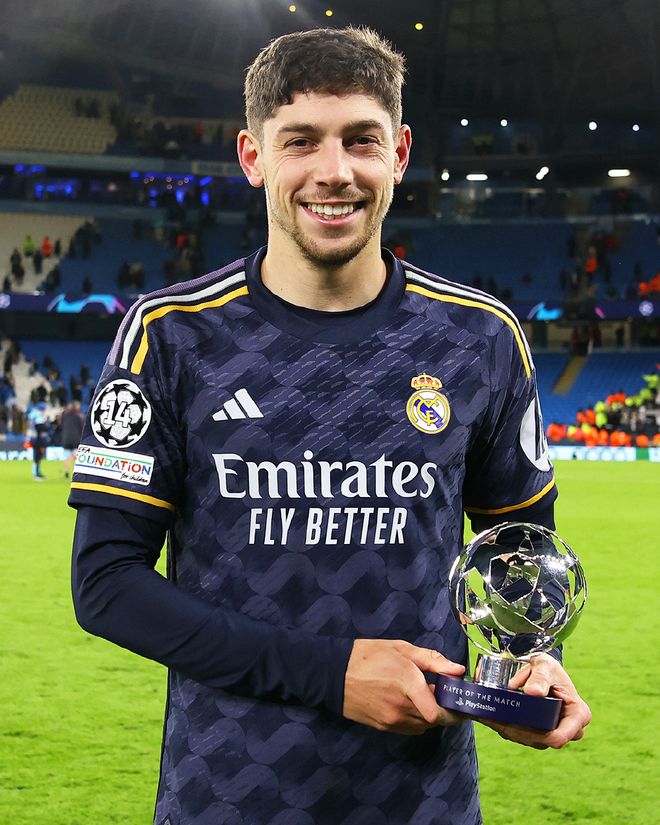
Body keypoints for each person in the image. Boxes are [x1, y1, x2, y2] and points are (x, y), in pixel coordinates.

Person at [69, 27, 590, 825]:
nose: (335, 171)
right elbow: (106, 584)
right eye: (301, 140)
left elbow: (521, 547)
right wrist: (331, 672)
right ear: (253, 157)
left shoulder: (481, 337)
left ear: (400, 153)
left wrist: (533, 659)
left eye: (361, 140)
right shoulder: (168, 336)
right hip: (226, 798)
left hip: (425, 802)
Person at [60, 400, 84, 478]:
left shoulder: (64, 415)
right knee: (77, 456)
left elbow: (61, 425)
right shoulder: (78, 416)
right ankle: (77, 473)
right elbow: (81, 427)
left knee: (66, 456)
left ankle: (67, 472)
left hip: (66, 439)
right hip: (75, 439)